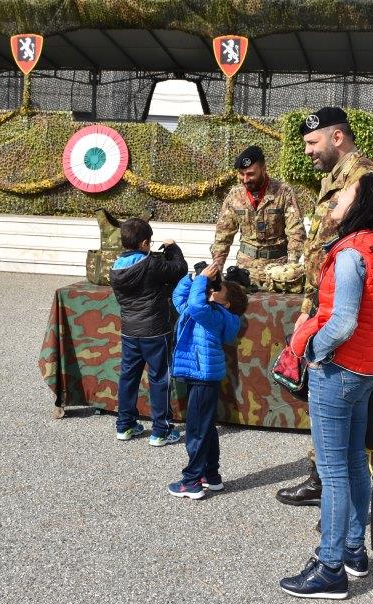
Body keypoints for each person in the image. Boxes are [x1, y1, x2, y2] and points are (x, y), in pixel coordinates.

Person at [275, 107, 373, 508]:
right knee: (328, 394)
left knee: (343, 394)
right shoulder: (334, 178)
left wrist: (371, 269)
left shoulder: (366, 177)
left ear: (337, 137)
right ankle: (328, 479)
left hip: (347, 308)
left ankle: (337, 486)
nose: (307, 150)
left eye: (313, 142)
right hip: (324, 298)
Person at [280, 173, 373, 599]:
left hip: (340, 370)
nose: (336, 200)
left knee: (335, 472)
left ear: (362, 205)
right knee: (354, 462)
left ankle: (330, 566)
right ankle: (353, 551)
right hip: (364, 367)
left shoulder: (353, 253)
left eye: (346, 195)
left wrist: (313, 350)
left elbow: (343, 321)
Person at [167, 263, 248, 499]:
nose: (213, 289)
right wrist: (193, 278)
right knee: (206, 427)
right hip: (197, 374)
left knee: (197, 430)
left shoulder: (218, 316)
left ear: (227, 303)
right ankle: (211, 476)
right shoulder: (206, 310)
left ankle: (191, 481)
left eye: (218, 289)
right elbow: (179, 299)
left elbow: (195, 304)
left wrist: (203, 280)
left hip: (203, 375)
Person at [109, 218, 189, 445]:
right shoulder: (150, 265)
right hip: (155, 331)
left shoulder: (115, 268)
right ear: (145, 242)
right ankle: (161, 430)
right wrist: (172, 247)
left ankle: (125, 426)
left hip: (130, 331)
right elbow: (179, 269)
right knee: (159, 378)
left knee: (128, 377)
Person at [211, 145, 306, 289]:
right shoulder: (235, 196)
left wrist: (291, 268)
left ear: (263, 169)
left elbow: (296, 232)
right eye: (241, 174)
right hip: (245, 271)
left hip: (277, 271)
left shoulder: (283, 192)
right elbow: (222, 235)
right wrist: (217, 269)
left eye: (250, 174)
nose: (245, 179)